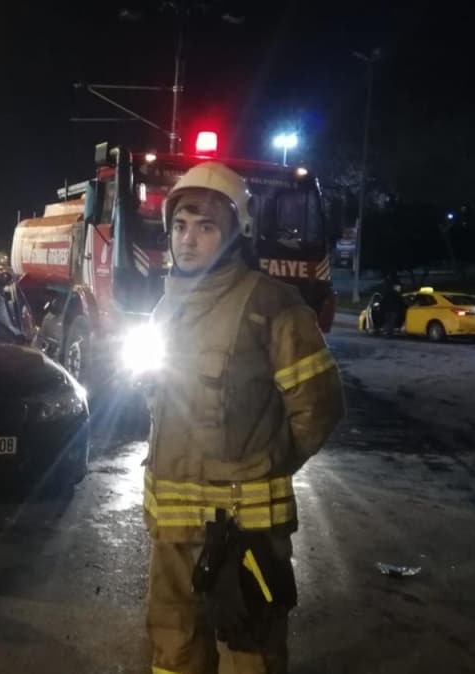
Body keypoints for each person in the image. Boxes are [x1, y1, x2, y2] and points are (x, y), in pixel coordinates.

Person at [142, 161, 345, 674]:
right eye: (179, 226)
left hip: (245, 530)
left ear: (237, 234)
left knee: (251, 654)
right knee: (173, 646)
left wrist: (268, 463)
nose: (188, 240)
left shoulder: (272, 304)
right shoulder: (164, 310)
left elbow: (319, 406)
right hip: (173, 532)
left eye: (206, 227)